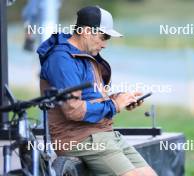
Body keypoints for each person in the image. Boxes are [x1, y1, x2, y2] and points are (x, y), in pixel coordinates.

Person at [37, 6, 157, 176]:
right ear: (86, 31)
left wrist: (121, 99)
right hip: (78, 138)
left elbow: (92, 99)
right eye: (104, 36)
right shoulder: (62, 59)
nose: (105, 44)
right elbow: (73, 110)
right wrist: (114, 105)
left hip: (101, 134)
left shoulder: (85, 55)